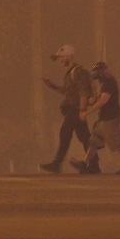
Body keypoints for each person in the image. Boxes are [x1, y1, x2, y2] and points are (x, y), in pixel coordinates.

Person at [69, 61, 120, 175]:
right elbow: (96, 100)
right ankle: (85, 163)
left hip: (110, 118)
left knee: (118, 143)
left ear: (103, 71)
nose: (95, 74)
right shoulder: (103, 83)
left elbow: (103, 101)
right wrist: (92, 98)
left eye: (97, 71)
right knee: (94, 141)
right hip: (103, 119)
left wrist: (87, 112)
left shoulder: (109, 83)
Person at [39, 44, 95, 174]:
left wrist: (82, 110)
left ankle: (57, 164)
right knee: (85, 137)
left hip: (75, 110)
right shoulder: (71, 72)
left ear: (70, 56)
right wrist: (52, 86)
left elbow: (84, 92)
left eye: (62, 57)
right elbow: (68, 91)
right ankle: (93, 164)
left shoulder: (78, 72)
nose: (61, 60)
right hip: (75, 109)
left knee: (65, 133)